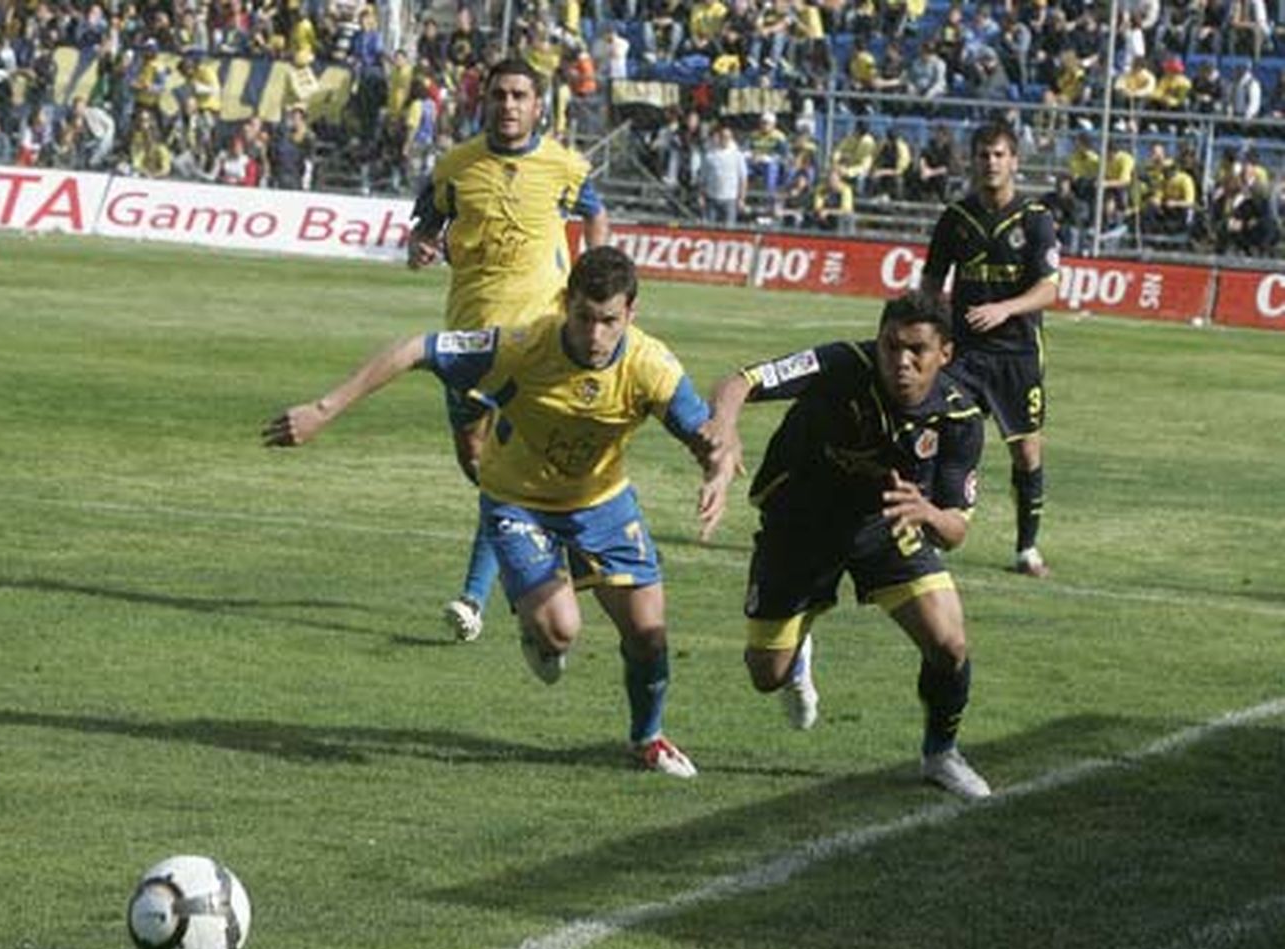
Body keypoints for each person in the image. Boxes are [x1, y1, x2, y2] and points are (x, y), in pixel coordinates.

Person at [264, 247, 733, 779]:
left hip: (602, 503)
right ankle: (539, 629)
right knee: (561, 632)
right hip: (519, 502)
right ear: (565, 303)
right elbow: (414, 349)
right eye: (584, 317)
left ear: (632, 314)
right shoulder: (520, 345)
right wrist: (323, 410)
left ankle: (647, 740)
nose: (596, 335)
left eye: (609, 321)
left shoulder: (652, 367)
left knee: (649, 632)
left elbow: (704, 435)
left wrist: (717, 468)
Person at [699, 292, 992, 800]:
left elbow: (956, 531)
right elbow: (741, 380)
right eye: (890, 346)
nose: (900, 361)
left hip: (885, 522)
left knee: (950, 643)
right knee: (766, 675)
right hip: (800, 521)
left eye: (917, 350)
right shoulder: (841, 364)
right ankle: (797, 658)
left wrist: (928, 514)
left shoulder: (959, 419)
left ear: (944, 352)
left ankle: (941, 754)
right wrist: (724, 427)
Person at [407, 57, 610, 643]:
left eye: (520, 95)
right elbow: (425, 227)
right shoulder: (455, 167)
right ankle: (541, 542)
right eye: (499, 94)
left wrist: (594, 276)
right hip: (467, 337)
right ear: (485, 100)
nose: (509, 105)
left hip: (537, 337)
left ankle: (474, 597)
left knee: (504, 468)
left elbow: (595, 213)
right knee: (476, 461)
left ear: (538, 103)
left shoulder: (565, 166)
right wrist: (420, 248)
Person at [921, 121, 1059, 578]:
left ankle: (1026, 548)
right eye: (983, 154)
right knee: (940, 434)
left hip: (1017, 355)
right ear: (972, 160)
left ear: (1014, 160)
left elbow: (1048, 289)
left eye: (999, 154)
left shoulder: (1035, 218)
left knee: (1026, 453)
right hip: (964, 354)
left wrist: (1005, 309)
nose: (991, 163)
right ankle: (932, 534)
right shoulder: (955, 219)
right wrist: (933, 321)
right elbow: (930, 283)